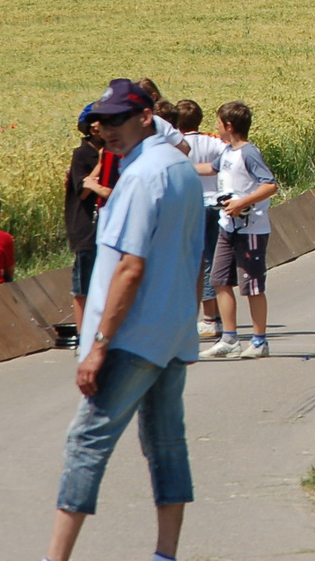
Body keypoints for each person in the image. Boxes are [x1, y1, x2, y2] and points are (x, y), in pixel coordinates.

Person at [45, 79, 204, 561]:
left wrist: (98, 345)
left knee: (86, 442)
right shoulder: (179, 167)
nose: (106, 130)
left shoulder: (139, 177)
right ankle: (166, 554)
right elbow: (191, 256)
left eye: (116, 120)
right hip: (172, 329)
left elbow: (129, 268)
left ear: (145, 117)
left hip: (130, 336)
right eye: (101, 122)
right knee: (166, 444)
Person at [205, 101, 277, 360]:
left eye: (218, 123)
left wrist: (241, 203)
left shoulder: (249, 153)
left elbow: (269, 185)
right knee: (219, 280)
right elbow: (209, 169)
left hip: (251, 230)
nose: (215, 127)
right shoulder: (226, 152)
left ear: (229, 126)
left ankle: (259, 341)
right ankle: (230, 339)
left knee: (253, 286)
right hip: (227, 226)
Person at [176, 99, 226, 340]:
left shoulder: (175, 145)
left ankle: (207, 319)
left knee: (196, 263)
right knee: (213, 258)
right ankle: (213, 315)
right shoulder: (213, 140)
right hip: (215, 203)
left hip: (191, 205)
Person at [65, 105, 112, 332]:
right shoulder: (82, 154)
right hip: (85, 225)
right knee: (83, 284)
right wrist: (100, 165)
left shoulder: (115, 151)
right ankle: (84, 333)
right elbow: (81, 190)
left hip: (108, 225)